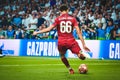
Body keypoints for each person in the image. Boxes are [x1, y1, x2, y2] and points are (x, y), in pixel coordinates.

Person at [33, 4, 90, 74]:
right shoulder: (73, 19)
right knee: (81, 56)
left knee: (62, 55)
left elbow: (48, 29)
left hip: (61, 42)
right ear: (68, 10)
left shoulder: (57, 19)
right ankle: (80, 55)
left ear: (60, 11)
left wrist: (37, 32)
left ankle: (70, 69)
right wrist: (84, 44)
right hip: (71, 40)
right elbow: (78, 32)